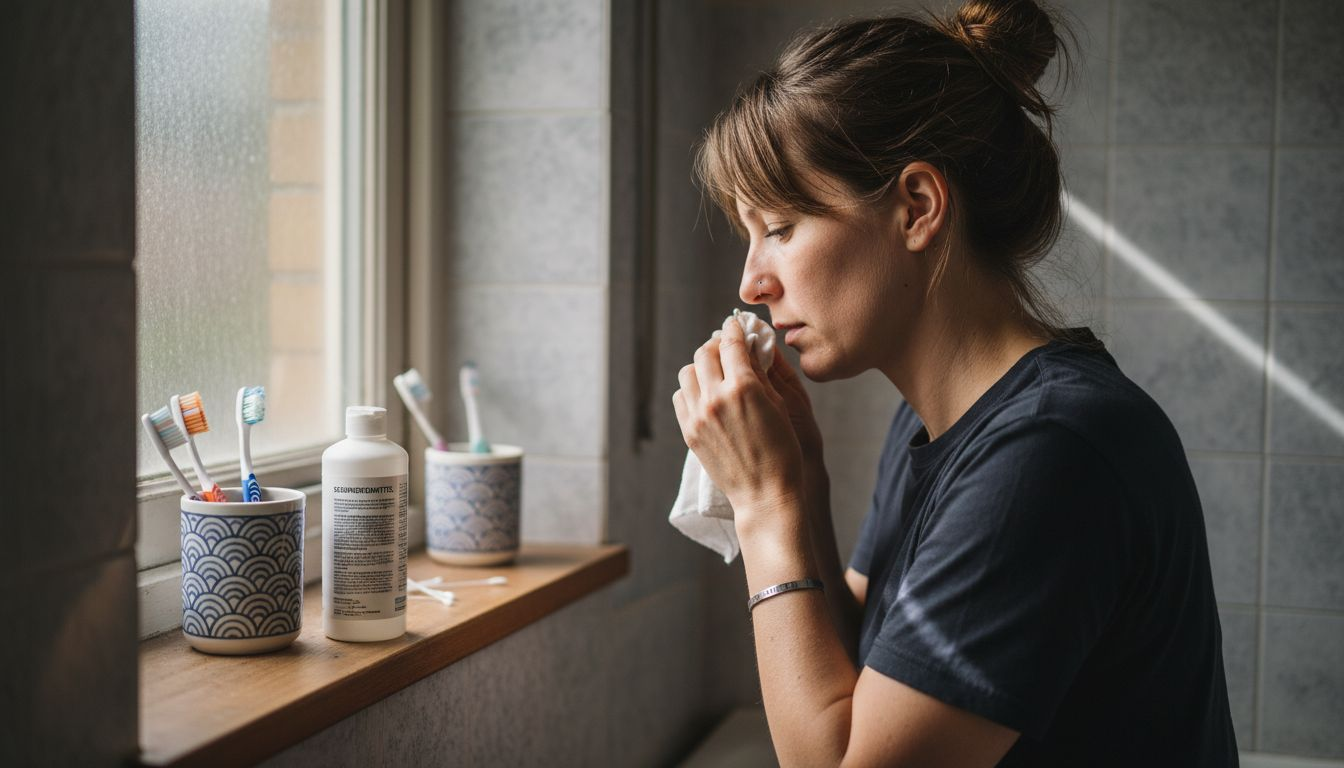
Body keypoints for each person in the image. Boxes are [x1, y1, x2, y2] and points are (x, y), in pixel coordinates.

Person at [670, 0, 1239, 765]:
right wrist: (800, 480)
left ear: (917, 207)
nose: (751, 284)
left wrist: (764, 509)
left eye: (779, 228)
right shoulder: (933, 422)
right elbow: (867, 683)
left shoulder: (1049, 451)